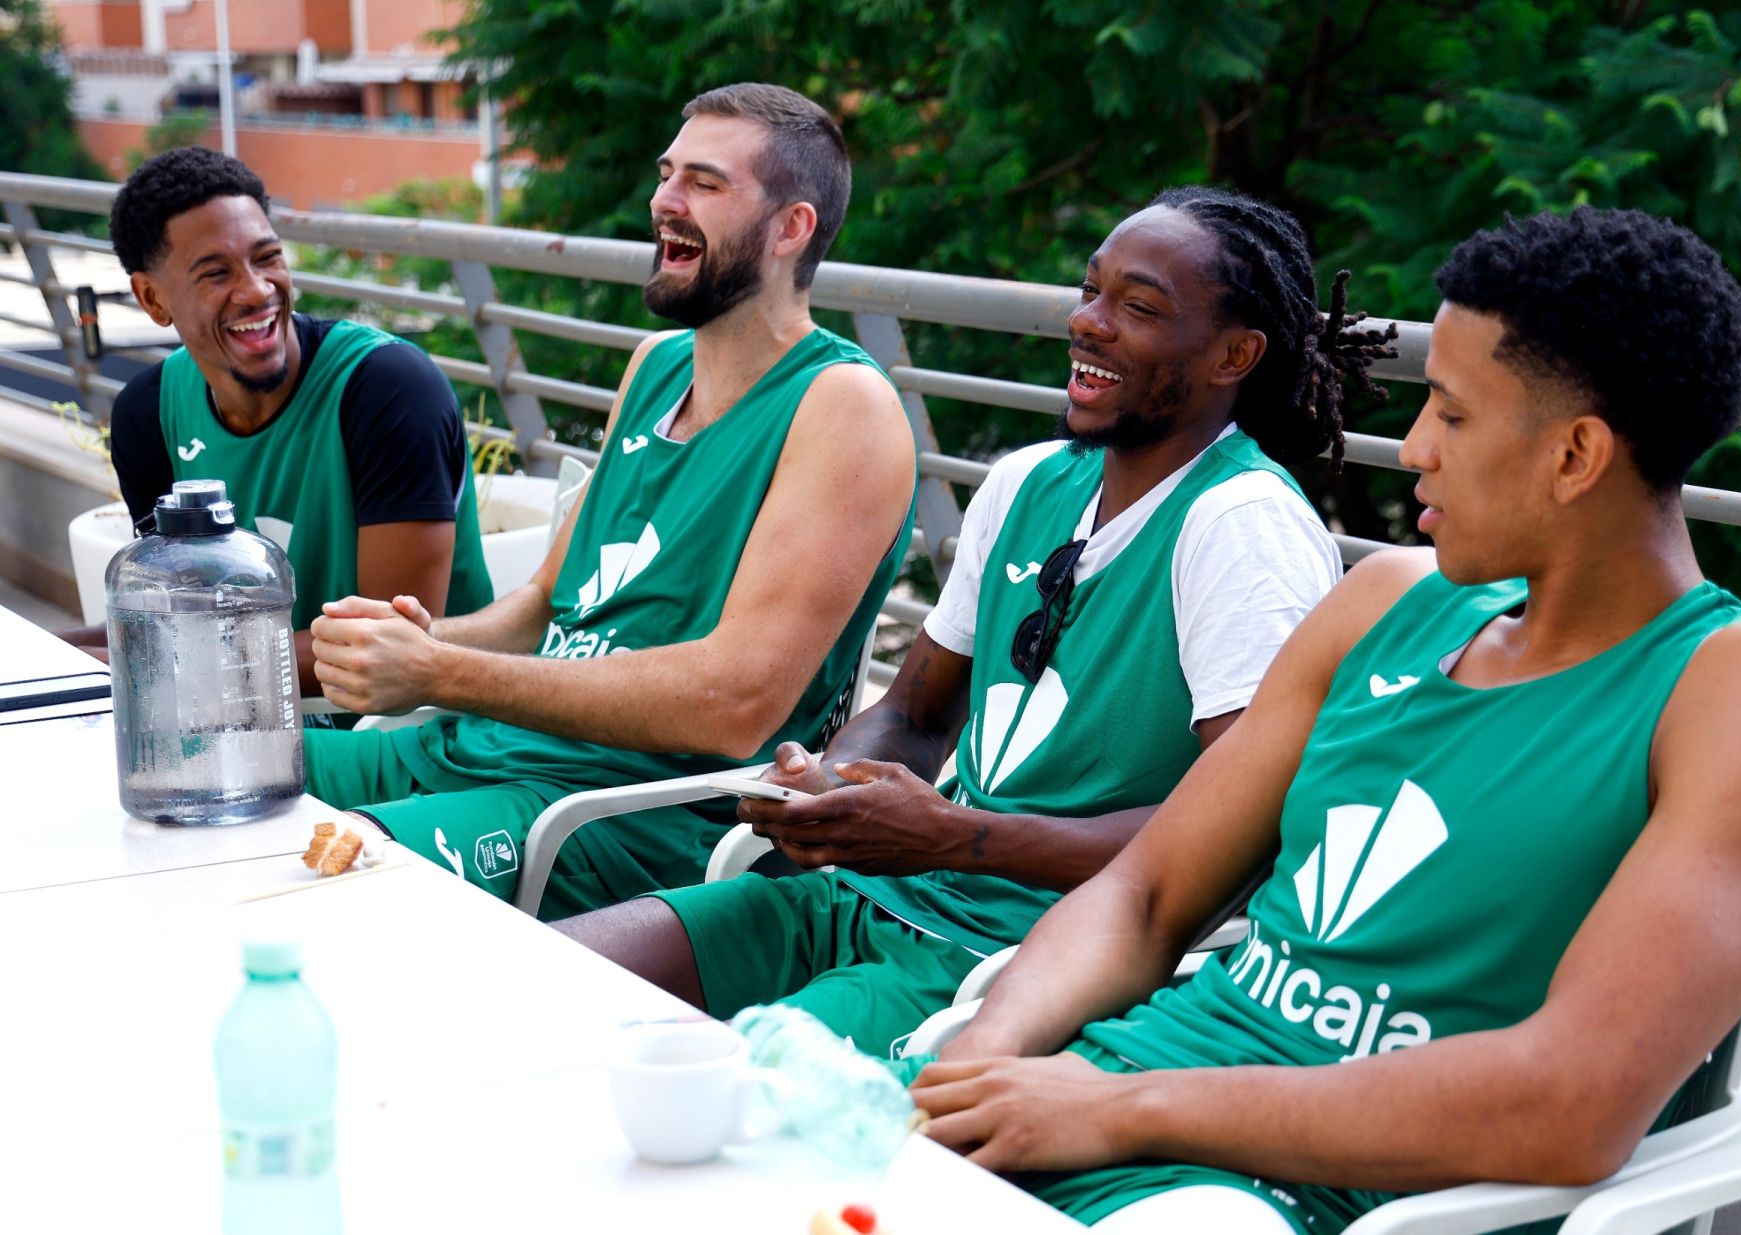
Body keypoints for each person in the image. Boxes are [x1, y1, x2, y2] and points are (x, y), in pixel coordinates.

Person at [902, 208, 1741, 1231]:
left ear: (1576, 454)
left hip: (1337, 1194)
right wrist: (979, 1057)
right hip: (1114, 1097)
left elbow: (1571, 1105)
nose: (1412, 450)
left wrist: (1119, 1107)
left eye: (1450, 415)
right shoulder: (1388, 602)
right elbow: (1143, 897)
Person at [558, 186, 1394, 1058]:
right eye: (1090, 291)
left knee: (696, 1080)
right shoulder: (1028, 481)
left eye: (1138, 307)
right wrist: (835, 785)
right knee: (550, 986)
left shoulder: (1240, 524)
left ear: (1236, 354)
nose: (1089, 323)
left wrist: (955, 836)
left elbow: (1242, 835)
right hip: (879, 892)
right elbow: (916, 714)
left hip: (1010, 961)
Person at [300, 83, 918, 918]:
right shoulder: (655, 366)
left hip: (621, 814)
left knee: (306, 889)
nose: (664, 201)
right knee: (213, 775)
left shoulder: (844, 405)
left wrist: (444, 670)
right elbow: (543, 609)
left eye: (704, 183)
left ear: (790, 228)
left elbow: (736, 704)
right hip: (480, 753)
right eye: (668, 175)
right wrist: (409, 645)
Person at [65, 146, 492, 695]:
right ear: (152, 298)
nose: (257, 290)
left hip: (401, 732)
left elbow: (388, 647)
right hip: (234, 716)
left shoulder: (388, 389)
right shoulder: (148, 414)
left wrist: (142, 663)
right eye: (216, 273)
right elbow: (178, 619)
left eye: (267, 257)